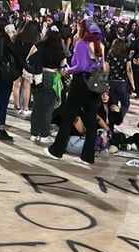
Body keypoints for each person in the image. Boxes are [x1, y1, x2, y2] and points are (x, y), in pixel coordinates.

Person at [44, 19, 105, 165]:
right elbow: (102, 66)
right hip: (95, 83)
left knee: (69, 116)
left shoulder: (81, 44)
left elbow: (81, 66)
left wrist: (67, 70)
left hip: (80, 83)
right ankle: (88, 157)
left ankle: (56, 150)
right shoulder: (100, 45)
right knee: (91, 121)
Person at [28, 26, 64, 143]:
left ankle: (34, 133)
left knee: (37, 107)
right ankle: (44, 134)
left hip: (38, 76)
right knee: (48, 109)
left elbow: (29, 58)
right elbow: (63, 67)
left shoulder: (39, 45)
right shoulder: (59, 49)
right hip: (52, 77)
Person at [106, 36, 133, 124]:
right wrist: (133, 84)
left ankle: (112, 124)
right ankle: (120, 117)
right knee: (125, 103)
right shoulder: (126, 57)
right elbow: (129, 71)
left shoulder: (109, 56)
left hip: (111, 82)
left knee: (113, 104)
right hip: (122, 83)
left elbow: (106, 71)